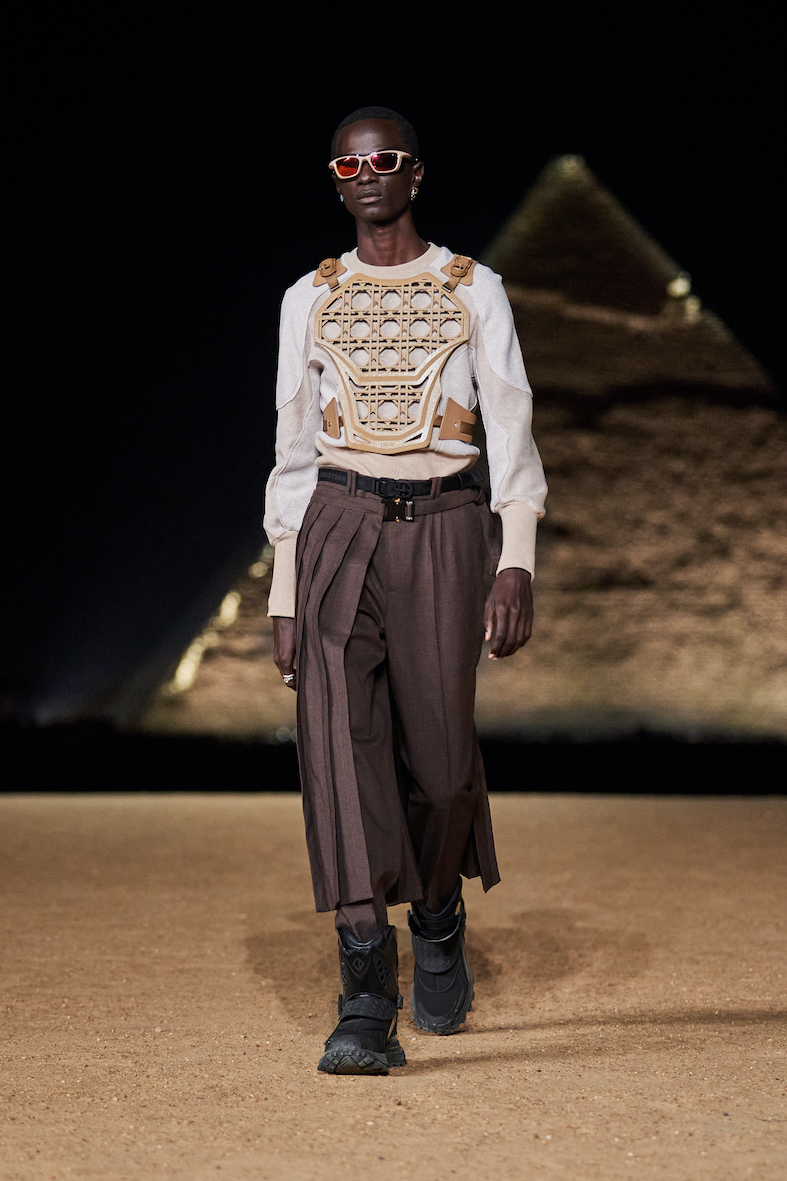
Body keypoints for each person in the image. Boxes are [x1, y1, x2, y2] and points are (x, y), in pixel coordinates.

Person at [263, 107, 547, 1075]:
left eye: (383, 159)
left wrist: (515, 557)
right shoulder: (308, 296)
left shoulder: (475, 288)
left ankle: (436, 909)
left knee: (443, 764)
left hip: (446, 526)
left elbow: (510, 422)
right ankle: (364, 990)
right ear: (334, 179)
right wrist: (284, 592)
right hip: (335, 521)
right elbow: (291, 447)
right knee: (336, 750)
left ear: (415, 173)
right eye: (348, 164)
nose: (366, 174)